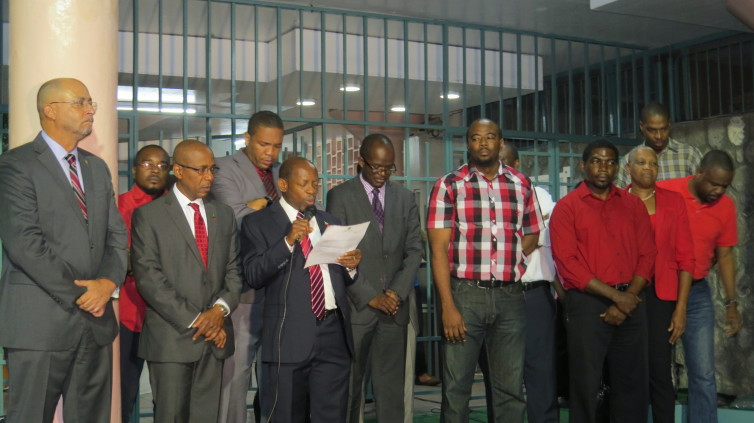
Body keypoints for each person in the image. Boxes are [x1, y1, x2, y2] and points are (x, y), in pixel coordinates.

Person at [0, 77, 128, 423]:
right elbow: (25, 244)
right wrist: (82, 294)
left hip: (96, 321)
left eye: (91, 103)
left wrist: (107, 284)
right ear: (50, 110)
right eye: (80, 102)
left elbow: (116, 236)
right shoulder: (16, 165)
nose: (90, 110)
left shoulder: (95, 167)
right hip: (40, 322)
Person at [427, 118, 543, 423]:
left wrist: (510, 257)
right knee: (456, 390)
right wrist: (448, 306)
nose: (483, 143)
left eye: (490, 137)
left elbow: (532, 233)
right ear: (468, 144)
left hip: (510, 298)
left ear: (500, 143)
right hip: (465, 297)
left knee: (510, 390)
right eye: (476, 138)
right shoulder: (449, 185)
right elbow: (438, 250)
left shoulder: (521, 184)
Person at [241, 156, 362, 423]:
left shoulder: (330, 221)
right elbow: (253, 275)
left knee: (332, 416)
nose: (311, 190)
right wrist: (287, 242)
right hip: (288, 337)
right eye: (304, 183)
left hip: (333, 334)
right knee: (286, 415)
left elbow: (342, 278)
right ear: (283, 184)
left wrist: (351, 267)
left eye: (315, 184)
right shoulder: (257, 223)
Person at [131, 139, 242, 422]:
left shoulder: (224, 214)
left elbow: (234, 271)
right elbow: (149, 279)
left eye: (212, 169)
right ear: (178, 171)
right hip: (172, 339)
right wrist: (199, 320)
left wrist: (218, 312)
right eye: (201, 170)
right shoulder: (149, 216)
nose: (209, 177)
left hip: (215, 338)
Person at [549, 139, 656, 423]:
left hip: (632, 302)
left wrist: (626, 298)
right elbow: (568, 264)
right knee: (586, 384)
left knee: (632, 383)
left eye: (610, 162)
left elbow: (647, 255)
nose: (603, 167)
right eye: (596, 161)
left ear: (617, 168)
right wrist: (616, 298)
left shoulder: (633, 205)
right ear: (583, 166)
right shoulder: (567, 208)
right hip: (588, 303)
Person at [326, 134, 423, 423]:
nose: (382, 173)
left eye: (388, 168)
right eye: (377, 167)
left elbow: (414, 251)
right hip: (358, 308)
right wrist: (371, 296)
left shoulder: (405, 198)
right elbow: (338, 254)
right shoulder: (340, 196)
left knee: (391, 391)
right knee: (350, 388)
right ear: (361, 161)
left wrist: (395, 293)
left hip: (394, 308)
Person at [656, 150, 741, 423]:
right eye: (714, 184)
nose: (719, 191)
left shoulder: (725, 206)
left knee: (703, 372)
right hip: (660, 289)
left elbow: (725, 255)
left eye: (725, 186)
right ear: (700, 173)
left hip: (697, 292)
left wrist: (731, 303)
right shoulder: (666, 192)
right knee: (656, 369)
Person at [212, 110, 284, 423]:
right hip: (243, 290)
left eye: (277, 146)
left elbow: (308, 212)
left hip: (281, 288)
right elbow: (237, 220)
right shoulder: (224, 168)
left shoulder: (283, 171)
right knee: (235, 375)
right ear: (247, 138)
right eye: (264, 144)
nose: (270, 153)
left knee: (276, 376)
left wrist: (260, 206)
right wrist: (275, 209)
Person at [624, 146, 695, 422]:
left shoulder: (673, 202)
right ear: (628, 168)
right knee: (629, 371)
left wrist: (681, 308)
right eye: (641, 162)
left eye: (653, 163)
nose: (648, 168)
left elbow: (686, 257)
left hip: (661, 297)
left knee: (659, 372)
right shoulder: (617, 201)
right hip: (625, 294)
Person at [500, 144, 560, 423]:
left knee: (541, 371)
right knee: (503, 372)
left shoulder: (540, 195)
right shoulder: (486, 199)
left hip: (534, 294)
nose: (501, 169)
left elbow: (535, 237)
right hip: (501, 294)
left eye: (506, 163)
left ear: (518, 163)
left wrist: (515, 238)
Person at [117, 144, 171, 423]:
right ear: (135, 169)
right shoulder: (118, 206)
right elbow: (117, 259)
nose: (155, 170)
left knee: (170, 397)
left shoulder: (176, 207)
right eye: (148, 164)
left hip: (170, 316)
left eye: (162, 165)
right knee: (123, 394)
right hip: (129, 314)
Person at [616, 102, 702, 187]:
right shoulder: (629, 161)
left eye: (663, 129)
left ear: (669, 125)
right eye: (652, 130)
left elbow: (702, 188)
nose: (659, 136)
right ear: (642, 126)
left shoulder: (689, 154)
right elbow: (621, 194)